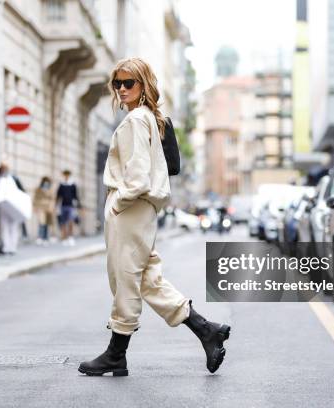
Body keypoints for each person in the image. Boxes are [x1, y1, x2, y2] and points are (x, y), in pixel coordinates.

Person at [78, 58, 231, 377]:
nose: (121, 89)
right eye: (117, 83)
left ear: (143, 85)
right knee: (147, 278)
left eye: (128, 83)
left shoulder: (136, 121)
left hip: (131, 207)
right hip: (140, 208)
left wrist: (119, 201)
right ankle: (206, 330)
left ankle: (115, 354)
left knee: (125, 278)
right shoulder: (148, 118)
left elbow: (137, 174)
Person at [56, 169, 80, 246]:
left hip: (71, 206)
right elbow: (58, 196)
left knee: (70, 221)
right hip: (63, 205)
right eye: (65, 174)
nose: (66, 176)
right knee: (63, 223)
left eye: (67, 174)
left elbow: (76, 196)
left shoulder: (73, 184)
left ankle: (70, 237)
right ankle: (64, 237)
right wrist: (56, 205)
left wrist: (79, 206)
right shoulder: (61, 184)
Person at [33, 176, 57, 245]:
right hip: (41, 208)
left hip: (48, 209)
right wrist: (35, 207)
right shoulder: (38, 189)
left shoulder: (50, 190)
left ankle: (45, 238)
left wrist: (52, 207)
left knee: (47, 224)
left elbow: (53, 199)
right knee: (41, 223)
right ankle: (40, 237)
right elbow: (35, 198)